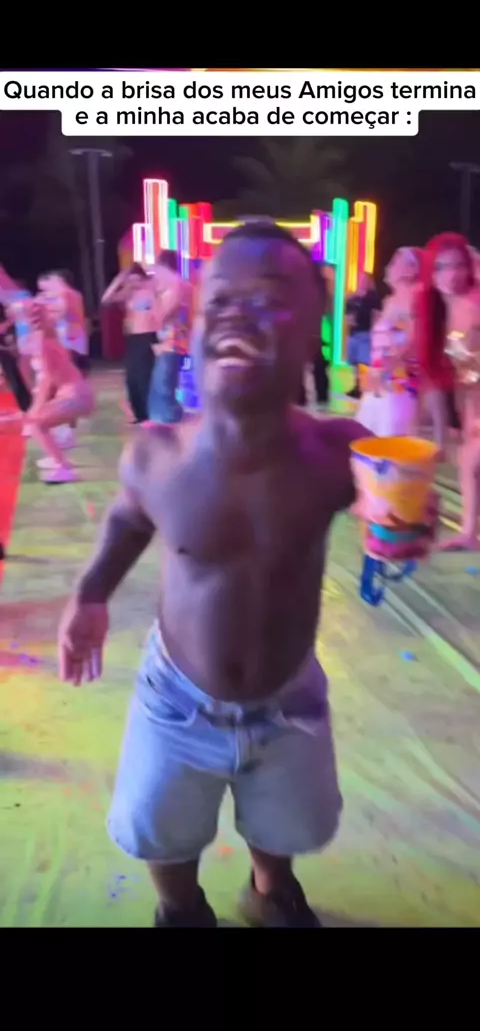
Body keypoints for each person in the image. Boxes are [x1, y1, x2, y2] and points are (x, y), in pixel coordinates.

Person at [58, 221, 372, 929]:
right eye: (220, 300)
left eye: (270, 299)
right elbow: (128, 520)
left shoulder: (337, 453)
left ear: (313, 334)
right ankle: (180, 906)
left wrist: (403, 528)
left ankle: (271, 890)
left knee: (287, 820)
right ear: (193, 327)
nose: (238, 314)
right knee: (159, 825)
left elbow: (393, 506)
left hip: (290, 700)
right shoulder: (157, 455)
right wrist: (90, 594)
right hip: (177, 698)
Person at [417, 233, 480, 551]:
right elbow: (463, 376)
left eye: (458, 265)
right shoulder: (442, 313)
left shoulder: (474, 303)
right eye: (441, 267)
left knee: (470, 460)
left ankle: (469, 531)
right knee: (468, 461)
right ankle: (469, 530)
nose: (451, 274)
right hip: (471, 399)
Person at [27, 299, 94, 484]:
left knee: (35, 424)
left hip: (76, 397)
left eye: (38, 314)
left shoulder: (45, 341)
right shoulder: (50, 337)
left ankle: (62, 467)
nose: (34, 319)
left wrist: (36, 407)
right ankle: (58, 459)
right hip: (76, 395)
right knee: (41, 423)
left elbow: (48, 379)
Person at [356, 248, 421, 437]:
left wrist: (392, 364)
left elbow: (414, 336)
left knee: (388, 435)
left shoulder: (411, 297)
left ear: (411, 270)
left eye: (394, 263)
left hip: (396, 381)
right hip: (381, 377)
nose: (387, 267)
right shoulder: (391, 300)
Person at [102, 263, 157, 424]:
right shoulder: (128, 294)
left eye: (137, 279)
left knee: (144, 375)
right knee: (131, 377)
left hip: (148, 335)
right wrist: (118, 281)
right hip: (132, 338)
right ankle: (139, 413)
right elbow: (106, 300)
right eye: (131, 280)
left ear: (143, 278)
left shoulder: (151, 291)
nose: (134, 283)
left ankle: (150, 413)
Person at [148, 250, 193, 424]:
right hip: (176, 340)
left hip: (170, 342)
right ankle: (169, 418)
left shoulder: (175, 286)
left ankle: (169, 420)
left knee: (163, 388)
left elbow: (162, 316)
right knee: (165, 386)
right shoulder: (182, 285)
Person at [345, 274, 382, 399]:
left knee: (366, 362)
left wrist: (374, 333)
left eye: (365, 280)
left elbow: (376, 316)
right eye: (361, 280)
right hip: (353, 333)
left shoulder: (373, 298)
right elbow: (348, 315)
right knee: (354, 362)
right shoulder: (353, 298)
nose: (362, 282)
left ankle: (370, 387)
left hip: (366, 333)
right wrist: (349, 321)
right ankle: (357, 386)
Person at [0, 300, 32, 417]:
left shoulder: (9, 324)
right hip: (7, 354)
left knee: (15, 380)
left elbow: (12, 337)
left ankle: (25, 406)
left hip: (8, 356)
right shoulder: (9, 324)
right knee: (15, 380)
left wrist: (12, 349)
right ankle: (25, 406)